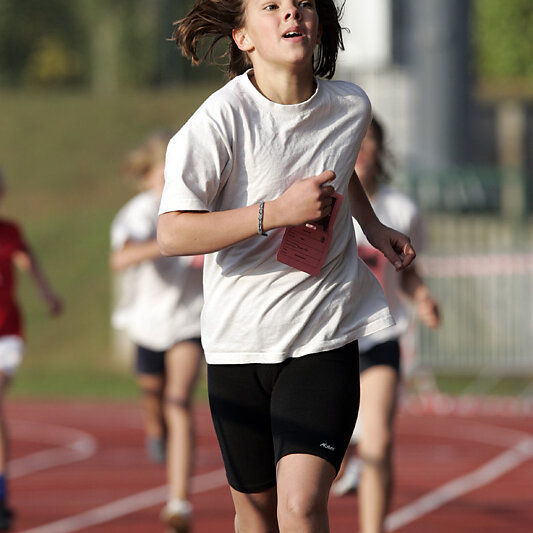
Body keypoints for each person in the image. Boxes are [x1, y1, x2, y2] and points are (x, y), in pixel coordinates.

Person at [158, 2, 416, 532]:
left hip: (322, 334)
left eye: (301, 3)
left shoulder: (351, 106)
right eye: (271, 6)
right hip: (238, 343)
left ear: (316, 23)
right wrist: (275, 213)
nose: (290, 13)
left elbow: (339, 161)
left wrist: (371, 225)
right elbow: (172, 232)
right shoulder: (220, 120)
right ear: (243, 37)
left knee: (300, 506)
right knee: (254, 514)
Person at [332, 117, 440, 533]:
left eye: (369, 139)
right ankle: (345, 463)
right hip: (328, 340)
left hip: (380, 336)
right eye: (354, 141)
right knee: (327, 459)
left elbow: (407, 270)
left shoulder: (402, 210)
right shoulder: (324, 202)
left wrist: (422, 296)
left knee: (378, 441)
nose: (360, 148)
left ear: (381, 148)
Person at [109, 132, 204, 533]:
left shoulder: (199, 207)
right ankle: (154, 425)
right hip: (147, 323)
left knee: (178, 400)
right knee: (153, 393)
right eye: (164, 172)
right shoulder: (139, 213)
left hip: (188, 320)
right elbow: (121, 258)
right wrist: (171, 242)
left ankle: (179, 503)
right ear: (147, 176)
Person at [0, 169, 63, 530]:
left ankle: (1, 496)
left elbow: (27, 260)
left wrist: (46, 292)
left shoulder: (10, 232)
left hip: (6, 335)